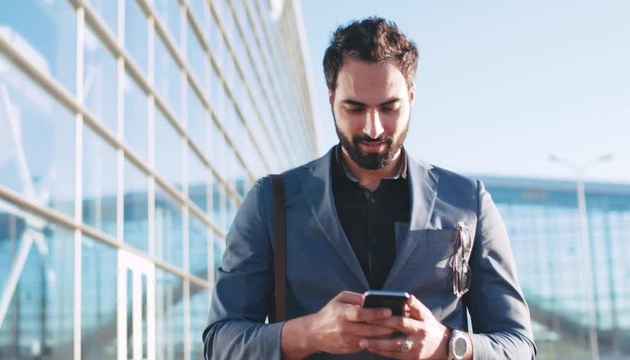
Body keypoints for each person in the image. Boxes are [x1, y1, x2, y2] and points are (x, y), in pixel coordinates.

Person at [203, 17, 536, 359]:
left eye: (389, 107)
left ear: (411, 97)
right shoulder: (270, 201)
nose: (373, 129)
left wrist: (448, 345)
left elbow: (519, 347)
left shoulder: (468, 202)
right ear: (331, 98)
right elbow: (219, 342)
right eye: (355, 108)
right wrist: (310, 332)